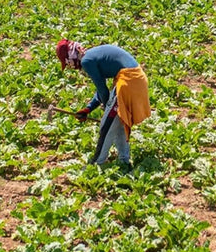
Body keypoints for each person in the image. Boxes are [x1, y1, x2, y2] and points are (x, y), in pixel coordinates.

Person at [56, 39, 151, 167]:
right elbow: (101, 91)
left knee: (106, 126)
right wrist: (88, 109)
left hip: (128, 81)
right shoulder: (92, 55)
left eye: (67, 63)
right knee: (118, 123)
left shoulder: (86, 61)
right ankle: (124, 161)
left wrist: (108, 110)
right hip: (137, 79)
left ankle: (97, 163)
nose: (69, 66)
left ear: (70, 57)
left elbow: (102, 89)